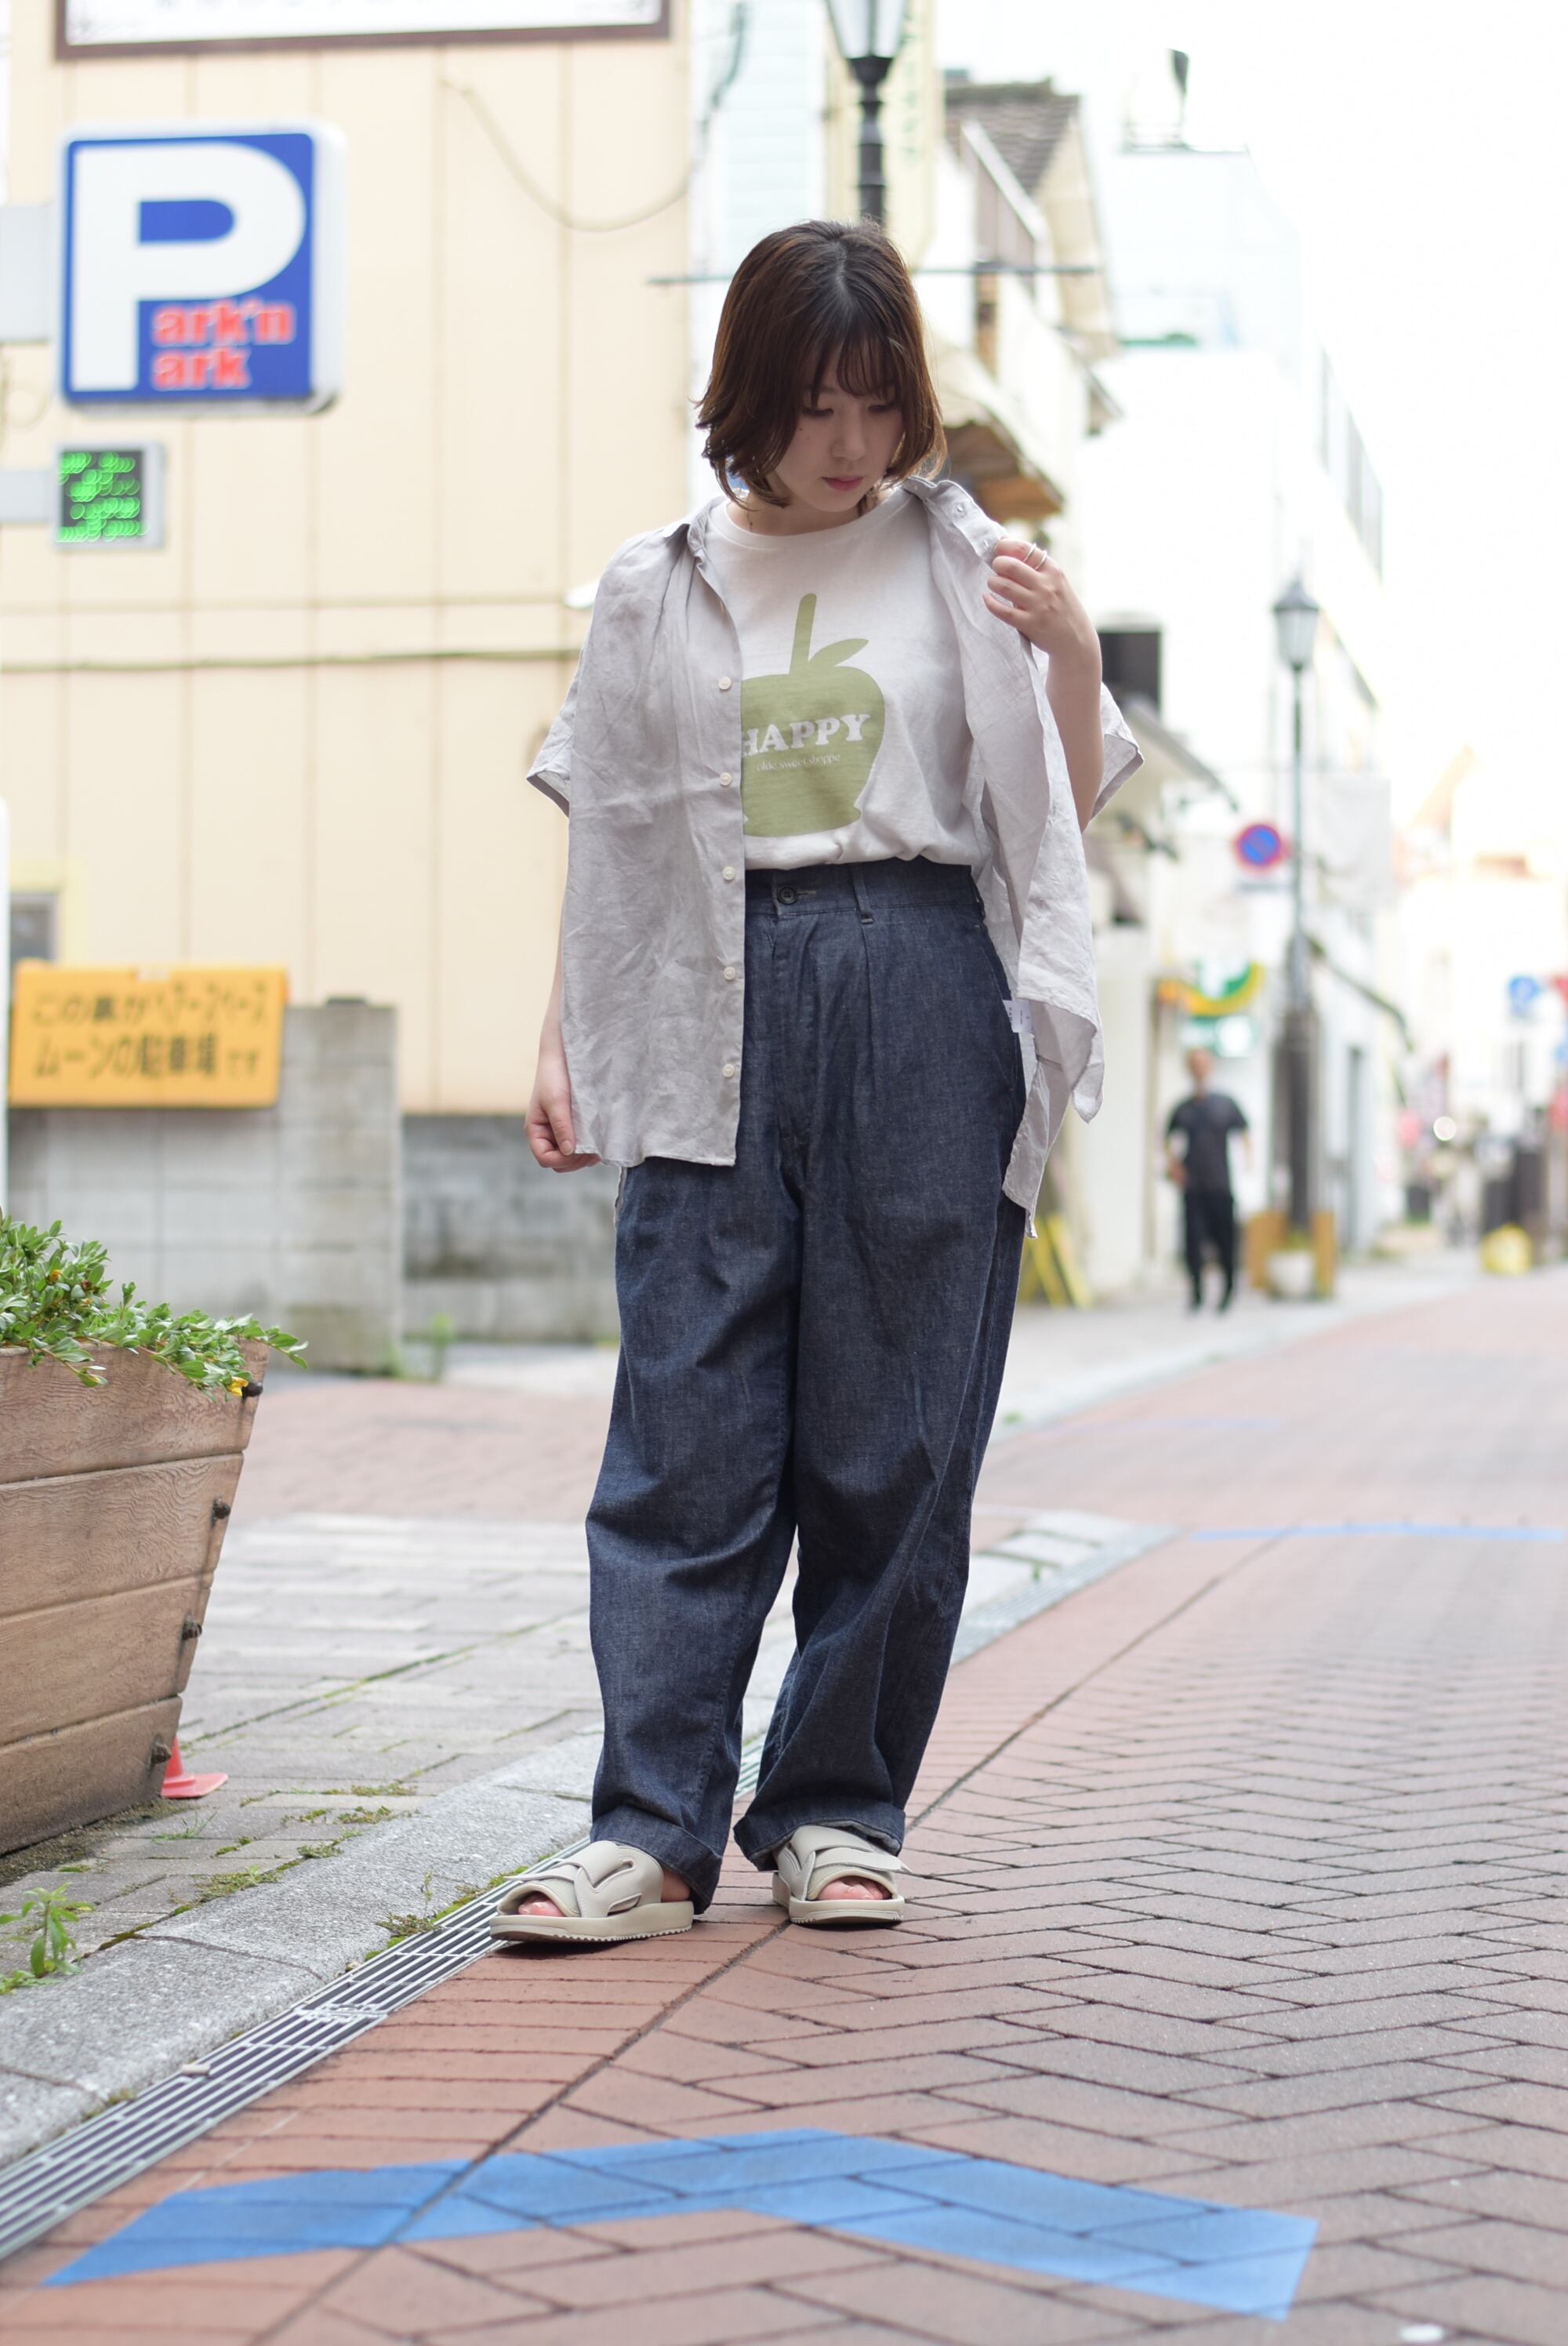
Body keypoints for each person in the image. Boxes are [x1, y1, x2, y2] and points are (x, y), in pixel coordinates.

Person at [490, 220, 1139, 1947]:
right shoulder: (653, 587)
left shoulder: (965, 561)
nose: (853, 444)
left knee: (896, 1429)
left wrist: (1073, 652)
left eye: (879, 403)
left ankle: (838, 1807)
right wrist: (561, 1032)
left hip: (921, 972)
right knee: (684, 1423)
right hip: (704, 984)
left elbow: (1057, 817)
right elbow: (616, 840)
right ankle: (650, 1831)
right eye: (816, 406)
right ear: (748, 398)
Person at [1165, 1048, 1250, 1310]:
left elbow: (1245, 1132)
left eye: (1202, 1064)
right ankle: (1196, 1294)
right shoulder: (1183, 1108)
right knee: (1193, 1241)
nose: (1199, 1069)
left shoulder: (1225, 1104)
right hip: (1193, 1187)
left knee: (1225, 1241)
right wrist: (1174, 1167)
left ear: (1210, 1067)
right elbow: (1167, 1139)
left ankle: (1228, 1290)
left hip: (1220, 1185)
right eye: (1194, 1064)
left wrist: (1249, 1162)